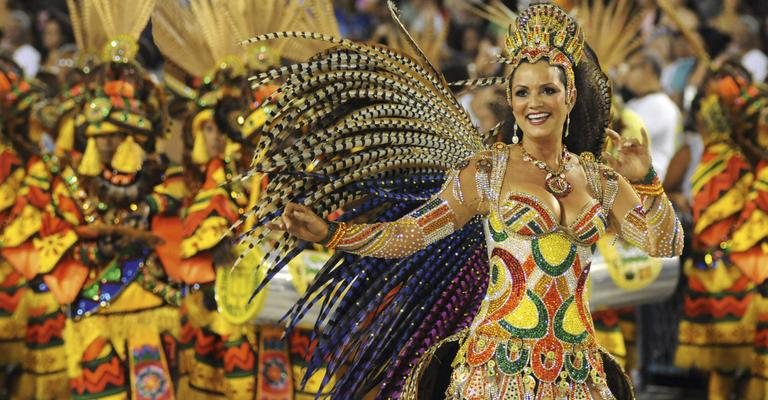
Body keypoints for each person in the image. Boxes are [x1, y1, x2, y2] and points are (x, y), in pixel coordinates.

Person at [238, 3, 683, 399]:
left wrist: (646, 181)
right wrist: (334, 232)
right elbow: (408, 235)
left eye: (548, 89)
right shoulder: (488, 172)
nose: (535, 103)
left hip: (578, 373)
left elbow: (665, 243)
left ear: (570, 95)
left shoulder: (598, 177)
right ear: (510, 100)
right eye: (523, 92)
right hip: (495, 372)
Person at [620, 50, 682, 181]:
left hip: (646, 182)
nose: (626, 75)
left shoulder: (663, 105)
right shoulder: (635, 102)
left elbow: (629, 138)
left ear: (647, 69)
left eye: (632, 68)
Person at [0, 10, 40, 78]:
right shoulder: (3, 49)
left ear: (24, 32)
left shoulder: (30, 53)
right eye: (8, 28)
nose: (10, 32)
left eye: (14, 29)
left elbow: (28, 78)